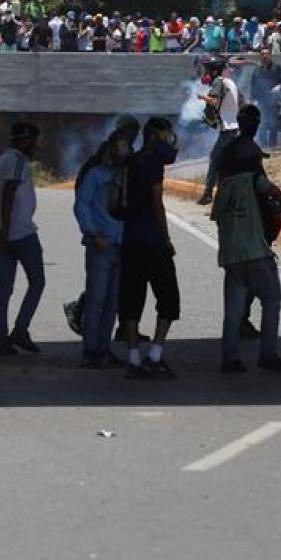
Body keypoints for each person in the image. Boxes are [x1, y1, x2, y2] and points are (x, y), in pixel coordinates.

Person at [211, 107, 281, 375]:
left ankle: (230, 358)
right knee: (272, 302)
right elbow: (278, 200)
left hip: (231, 257)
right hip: (257, 253)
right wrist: (269, 227)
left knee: (232, 312)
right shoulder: (256, 181)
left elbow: (218, 218)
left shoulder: (224, 189)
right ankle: (267, 354)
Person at [119, 118, 182, 381]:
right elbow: (156, 200)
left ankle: (134, 359)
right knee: (168, 299)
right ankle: (155, 355)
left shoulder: (132, 160)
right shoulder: (153, 162)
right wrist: (165, 236)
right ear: (155, 137)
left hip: (130, 241)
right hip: (152, 241)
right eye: (167, 136)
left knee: (132, 300)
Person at [0, 122, 45, 357]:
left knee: (4, 287)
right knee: (37, 282)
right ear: (25, 141)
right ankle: (20, 329)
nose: (35, 147)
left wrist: (0, 230)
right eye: (33, 142)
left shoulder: (0, 161)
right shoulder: (18, 162)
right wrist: (7, 230)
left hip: (3, 233)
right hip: (21, 234)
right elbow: (9, 193)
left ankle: (2, 337)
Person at [73, 130, 129, 368]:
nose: (124, 152)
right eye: (121, 147)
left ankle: (104, 347)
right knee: (96, 300)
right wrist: (93, 233)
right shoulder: (96, 176)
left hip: (122, 246)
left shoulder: (127, 177)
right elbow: (82, 205)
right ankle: (90, 349)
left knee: (113, 303)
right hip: (101, 245)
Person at [197, 57, 240, 205]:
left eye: (208, 69)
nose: (206, 72)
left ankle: (208, 193)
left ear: (214, 70)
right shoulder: (230, 82)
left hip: (227, 130)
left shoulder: (218, 81)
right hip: (235, 128)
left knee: (215, 160)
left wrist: (203, 97)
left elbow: (214, 101)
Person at [249, 48, 281, 147]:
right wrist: (253, 100)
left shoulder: (277, 68)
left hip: (274, 102)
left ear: (270, 56)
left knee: (273, 125)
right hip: (261, 101)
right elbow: (253, 86)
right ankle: (263, 147)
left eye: (267, 54)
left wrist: (279, 88)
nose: (265, 56)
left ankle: (272, 147)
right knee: (261, 125)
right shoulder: (256, 71)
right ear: (260, 56)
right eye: (262, 54)